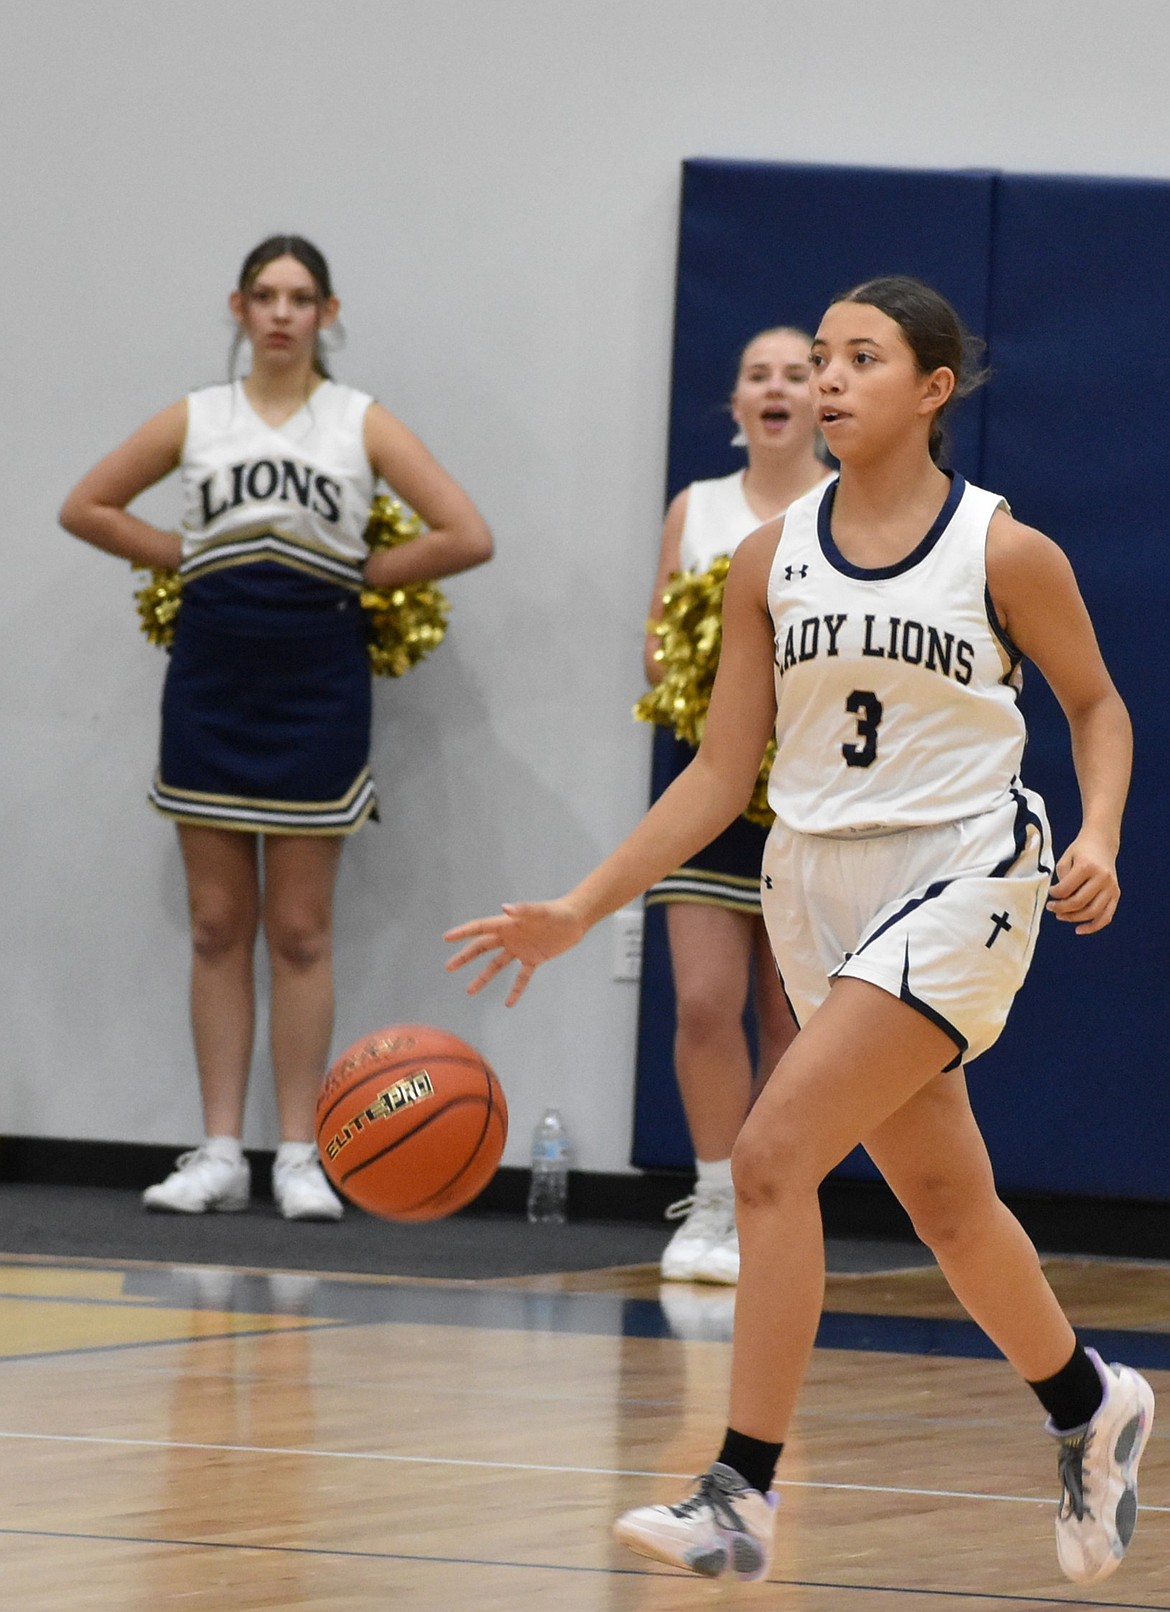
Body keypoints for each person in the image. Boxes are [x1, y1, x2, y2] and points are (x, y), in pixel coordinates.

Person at [445, 277, 1153, 1585]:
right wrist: (579, 907)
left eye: (861, 359)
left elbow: (1096, 704)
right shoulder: (767, 557)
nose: (827, 380)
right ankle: (1087, 1403)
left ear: (930, 391)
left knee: (769, 1155)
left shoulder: (1002, 549)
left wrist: (1099, 833)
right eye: (819, 356)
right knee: (944, 1203)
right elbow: (720, 773)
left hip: (963, 872)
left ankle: (739, 1493)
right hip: (810, 886)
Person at [61, 235, 492, 1221]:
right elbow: (85, 505)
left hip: (317, 677)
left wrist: (360, 576)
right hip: (214, 674)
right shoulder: (199, 417)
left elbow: (466, 533)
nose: (284, 313)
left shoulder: (358, 420)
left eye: (302, 297)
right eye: (266, 295)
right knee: (218, 925)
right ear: (240, 307)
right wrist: (185, 554)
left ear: (329, 313)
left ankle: (301, 1150)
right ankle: (219, 1149)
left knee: (300, 929)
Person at [643, 328, 832, 1285]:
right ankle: (713, 1196)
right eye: (756, 373)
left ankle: (773, 1198)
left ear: (821, 399)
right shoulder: (699, 507)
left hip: (814, 784)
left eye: (796, 374)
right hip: (709, 778)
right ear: (735, 406)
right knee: (705, 1001)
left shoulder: (841, 512)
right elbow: (655, 651)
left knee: (791, 1015)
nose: (776, 387)